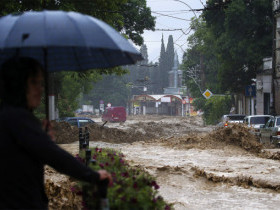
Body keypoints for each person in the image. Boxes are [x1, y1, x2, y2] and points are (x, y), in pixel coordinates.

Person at [0, 57, 112, 209]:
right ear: (18, 85)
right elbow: (54, 156)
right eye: (34, 82)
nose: (40, 89)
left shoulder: (8, 117)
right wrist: (93, 175)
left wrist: (42, 138)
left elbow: (26, 157)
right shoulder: (19, 119)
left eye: (41, 83)